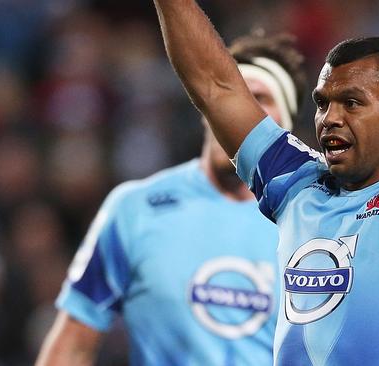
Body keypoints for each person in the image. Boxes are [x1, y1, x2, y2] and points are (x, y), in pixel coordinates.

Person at [152, 0, 379, 364]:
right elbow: (216, 87)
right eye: (322, 103)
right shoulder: (296, 185)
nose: (329, 118)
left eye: (351, 102)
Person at [35, 32, 307, 366]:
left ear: (286, 129)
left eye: (259, 100)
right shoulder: (134, 209)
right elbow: (72, 347)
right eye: (229, 97)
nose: (238, 113)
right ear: (204, 106)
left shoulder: (316, 223)